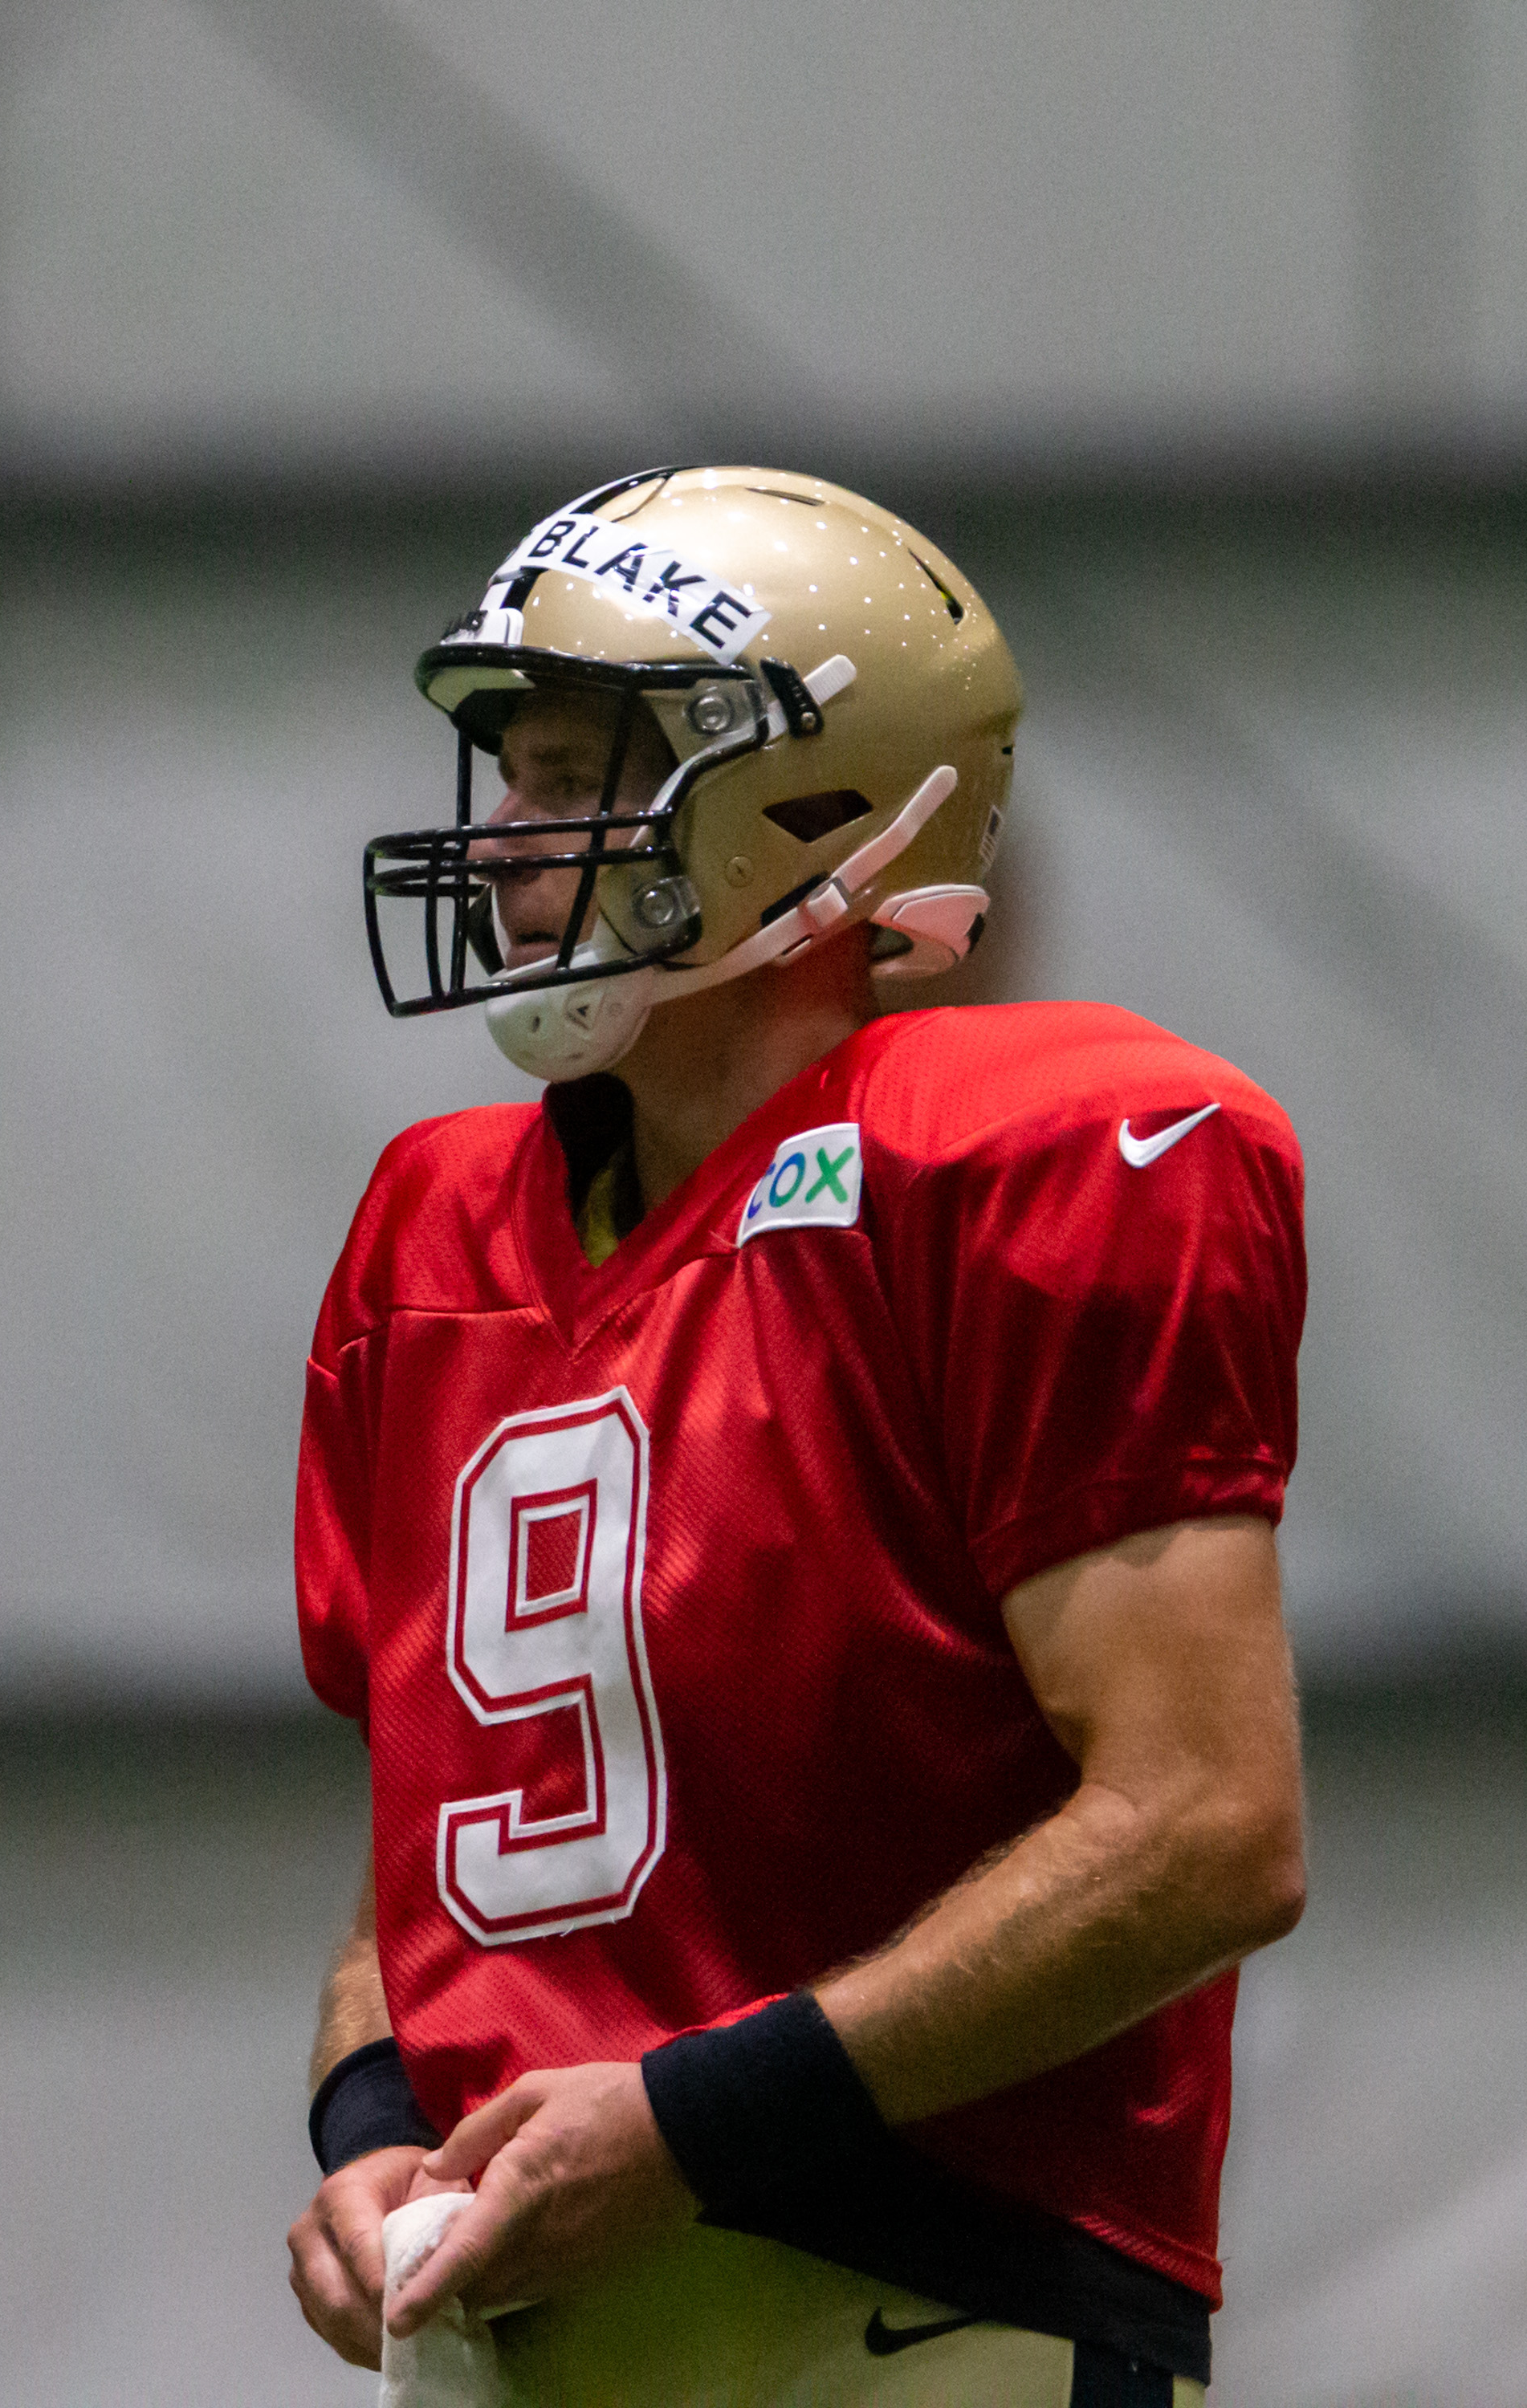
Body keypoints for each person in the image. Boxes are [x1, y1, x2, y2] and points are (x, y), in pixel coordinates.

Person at [282, 469, 1307, 2406]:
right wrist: (365, 2138)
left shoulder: (1028, 1157)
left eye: (581, 767)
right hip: (513, 2349)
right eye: (512, 772)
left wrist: (695, 2126)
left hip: (924, 2326)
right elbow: (421, 1887)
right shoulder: (431, 1241)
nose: (507, 840)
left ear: (811, 815)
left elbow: (1209, 1825)